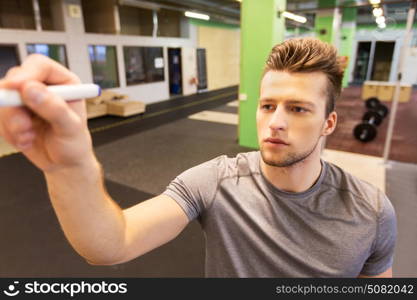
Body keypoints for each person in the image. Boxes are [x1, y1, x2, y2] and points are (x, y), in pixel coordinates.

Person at [0, 38, 396, 278]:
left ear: (328, 123)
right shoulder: (215, 182)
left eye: (297, 109)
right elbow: (111, 243)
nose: (274, 122)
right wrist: (68, 166)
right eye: (267, 105)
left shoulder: (372, 210)